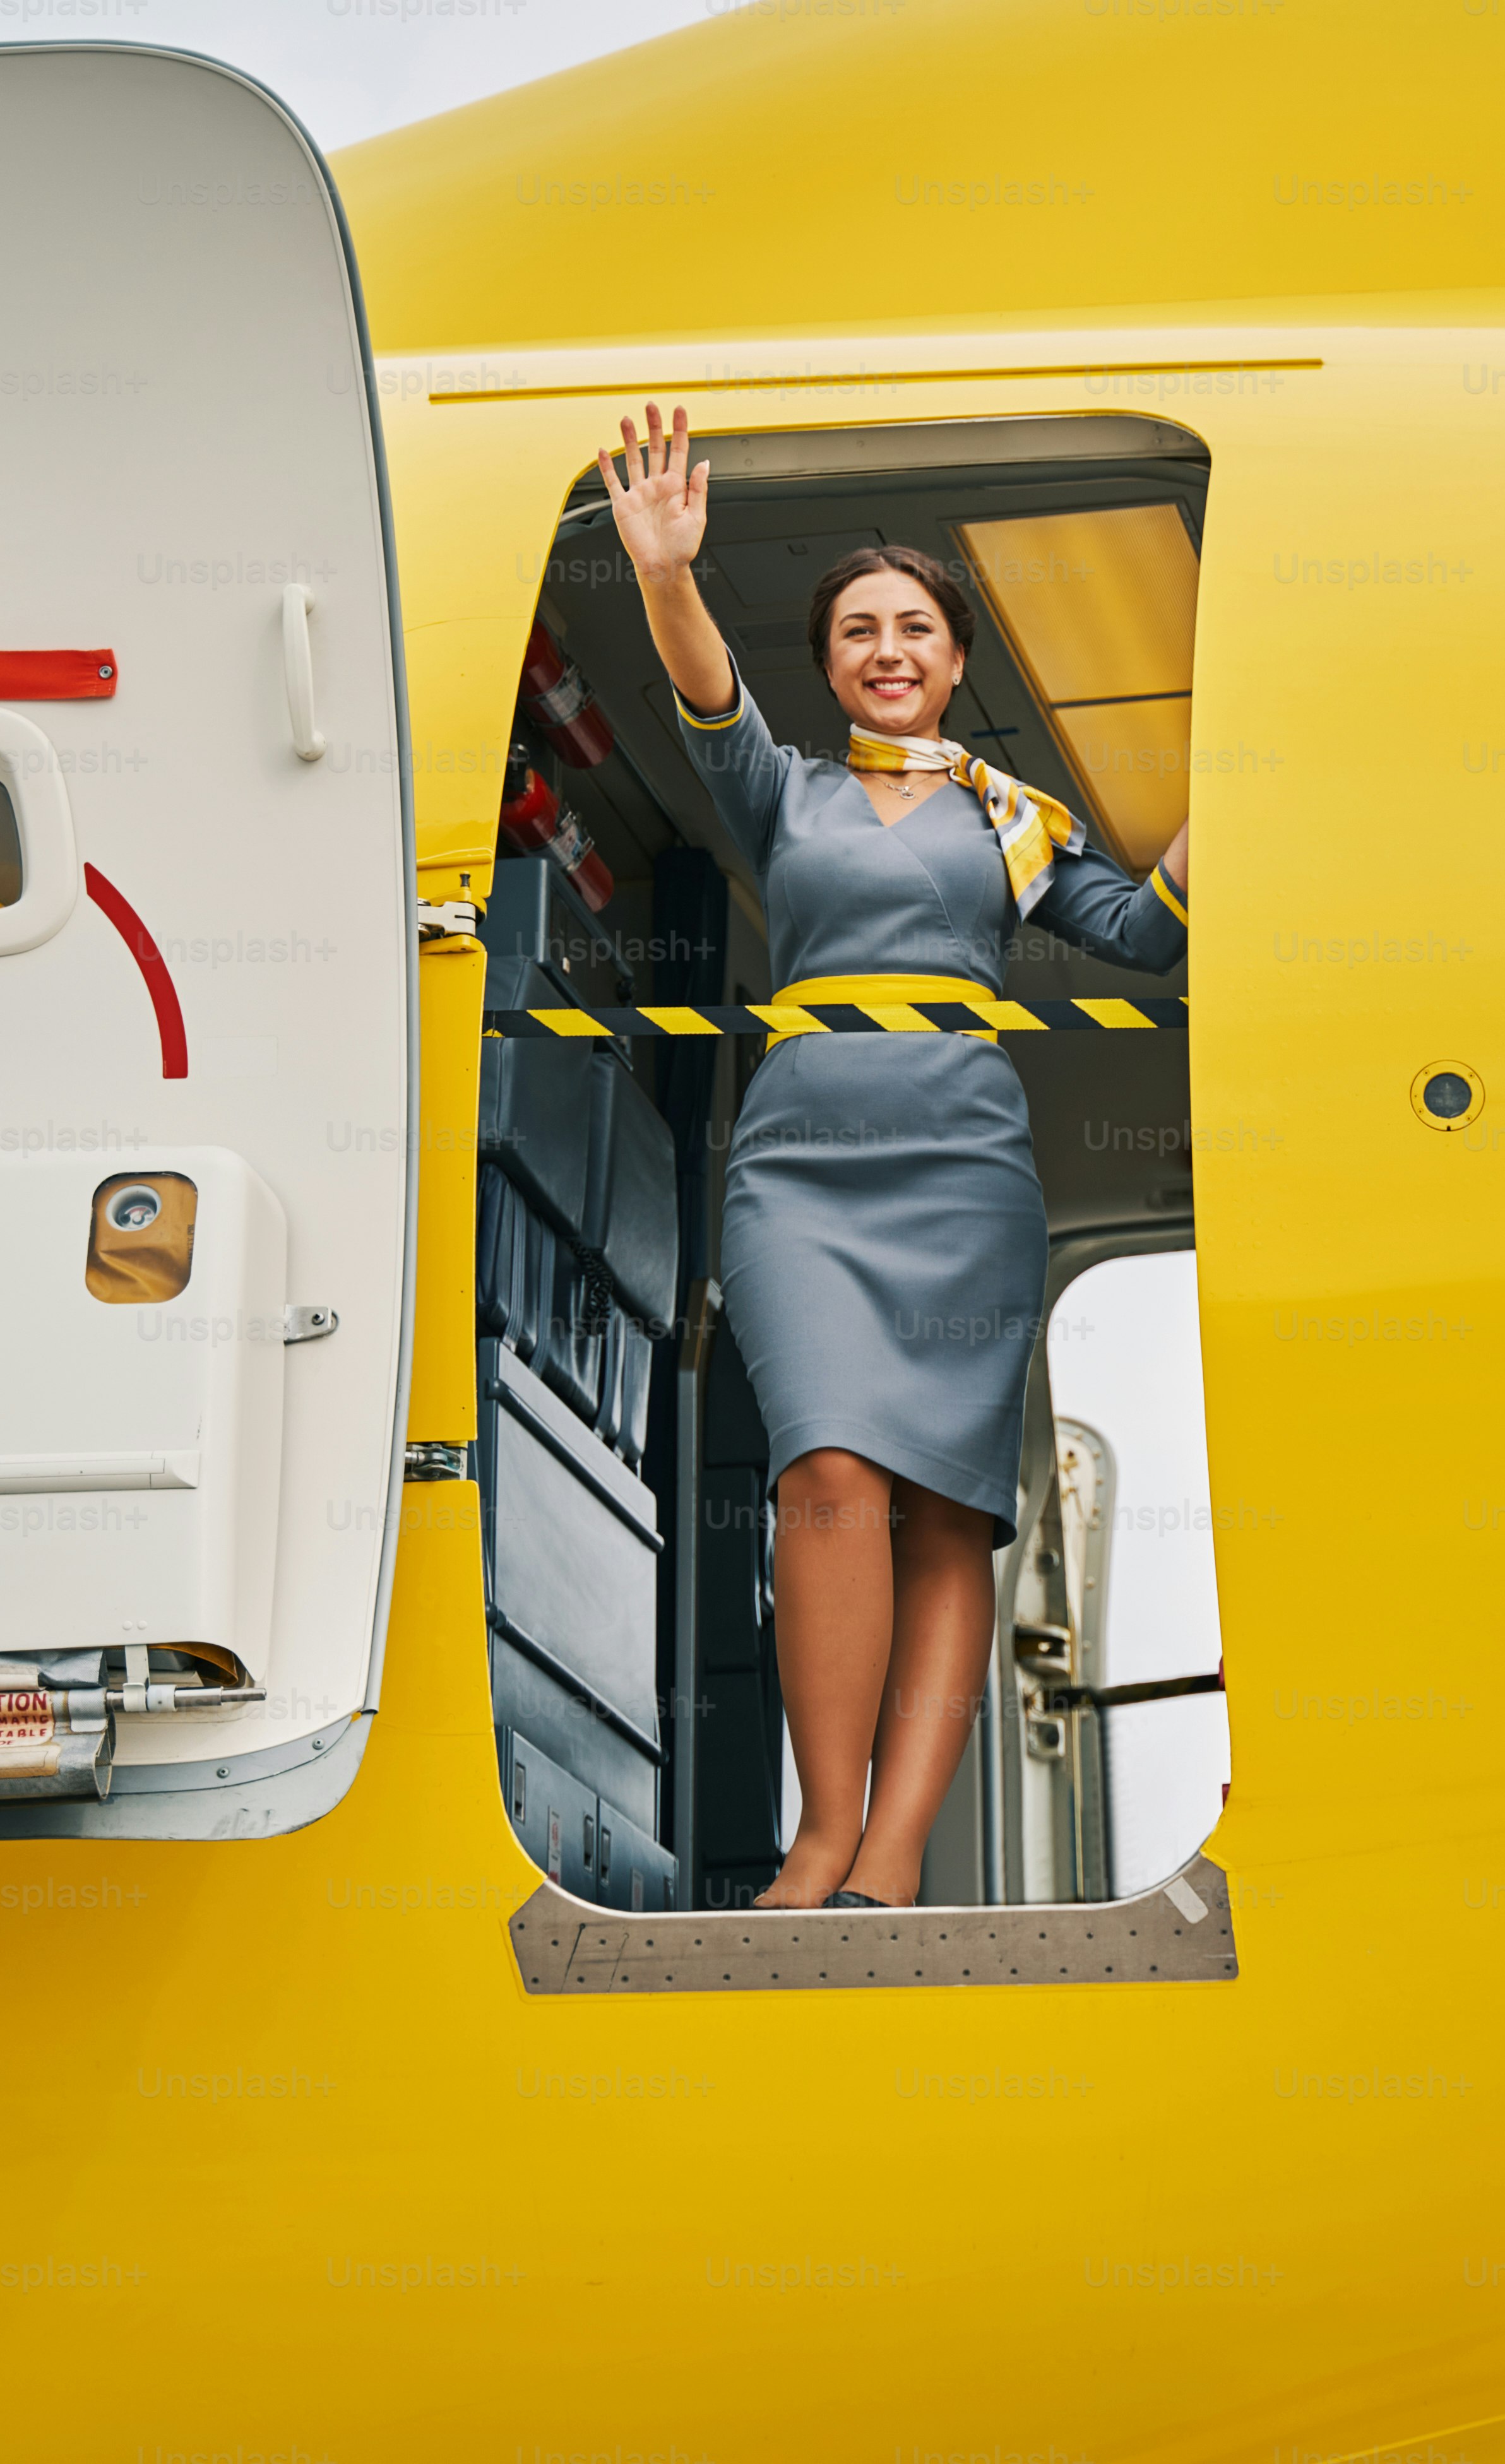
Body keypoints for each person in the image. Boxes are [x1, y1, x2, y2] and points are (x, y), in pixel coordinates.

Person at [598, 403, 1191, 1909]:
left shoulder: (1018, 819)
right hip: (799, 1176)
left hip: (965, 1177)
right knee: (828, 1474)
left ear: (954, 661)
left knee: (947, 1508)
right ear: (834, 658)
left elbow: (1148, 943)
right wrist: (670, 571)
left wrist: (1226, 780)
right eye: (859, 627)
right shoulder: (780, 790)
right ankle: (819, 1831)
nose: (886, 648)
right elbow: (706, 696)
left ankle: (894, 1849)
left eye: (914, 627)